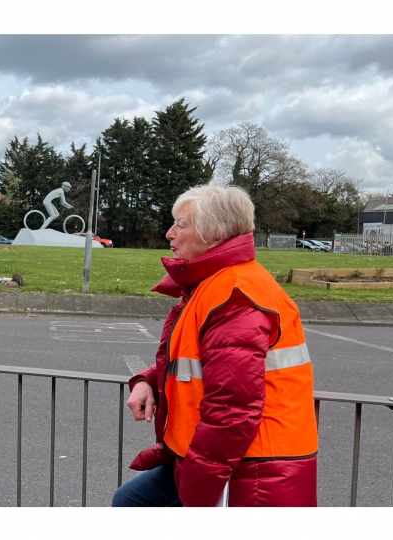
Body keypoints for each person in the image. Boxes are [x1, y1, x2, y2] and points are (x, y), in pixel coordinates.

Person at [112, 184, 317, 507]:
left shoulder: (236, 295)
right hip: (214, 459)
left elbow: (232, 410)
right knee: (130, 502)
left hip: (248, 471)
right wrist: (148, 381)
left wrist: (198, 493)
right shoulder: (217, 284)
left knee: (132, 503)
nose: (169, 234)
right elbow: (200, 361)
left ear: (216, 233)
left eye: (182, 224)